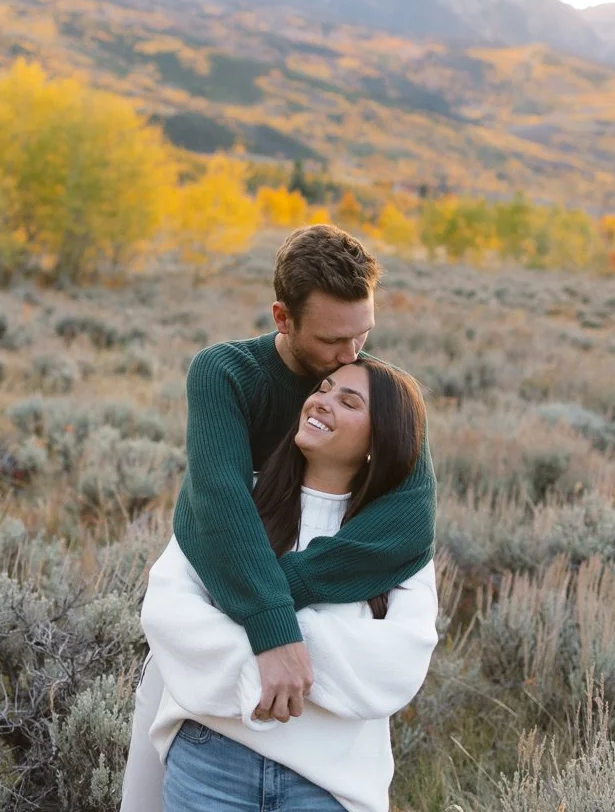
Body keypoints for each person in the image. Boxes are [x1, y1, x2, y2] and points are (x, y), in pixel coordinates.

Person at [119, 225, 436, 811]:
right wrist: (269, 627)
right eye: (333, 340)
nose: (352, 355)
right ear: (283, 318)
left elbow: (408, 525)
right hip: (211, 690)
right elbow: (216, 506)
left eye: (363, 333)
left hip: (243, 617)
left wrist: (263, 606)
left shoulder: (370, 389)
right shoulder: (225, 374)